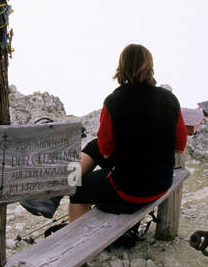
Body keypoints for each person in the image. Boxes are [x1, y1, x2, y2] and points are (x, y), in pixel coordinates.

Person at [23, 44, 187, 221]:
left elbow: (107, 150)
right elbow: (180, 146)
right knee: (94, 147)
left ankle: (77, 242)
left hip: (130, 191)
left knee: (78, 190)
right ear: (150, 67)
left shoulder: (115, 101)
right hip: (161, 183)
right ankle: (53, 193)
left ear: (122, 67)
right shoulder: (169, 99)